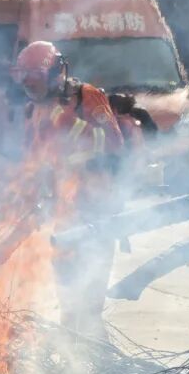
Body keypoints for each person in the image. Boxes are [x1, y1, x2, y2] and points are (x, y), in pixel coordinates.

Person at [9, 41, 124, 338]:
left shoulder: (88, 98)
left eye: (35, 81)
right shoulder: (33, 108)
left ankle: (98, 365)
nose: (31, 89)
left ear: (56, 73)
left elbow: (115, 144)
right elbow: (31, 159)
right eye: (27, 83)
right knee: (68, 297)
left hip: (94, 211)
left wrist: (71, 133)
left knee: (89, 301)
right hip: (63, 215)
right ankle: (75, 362)